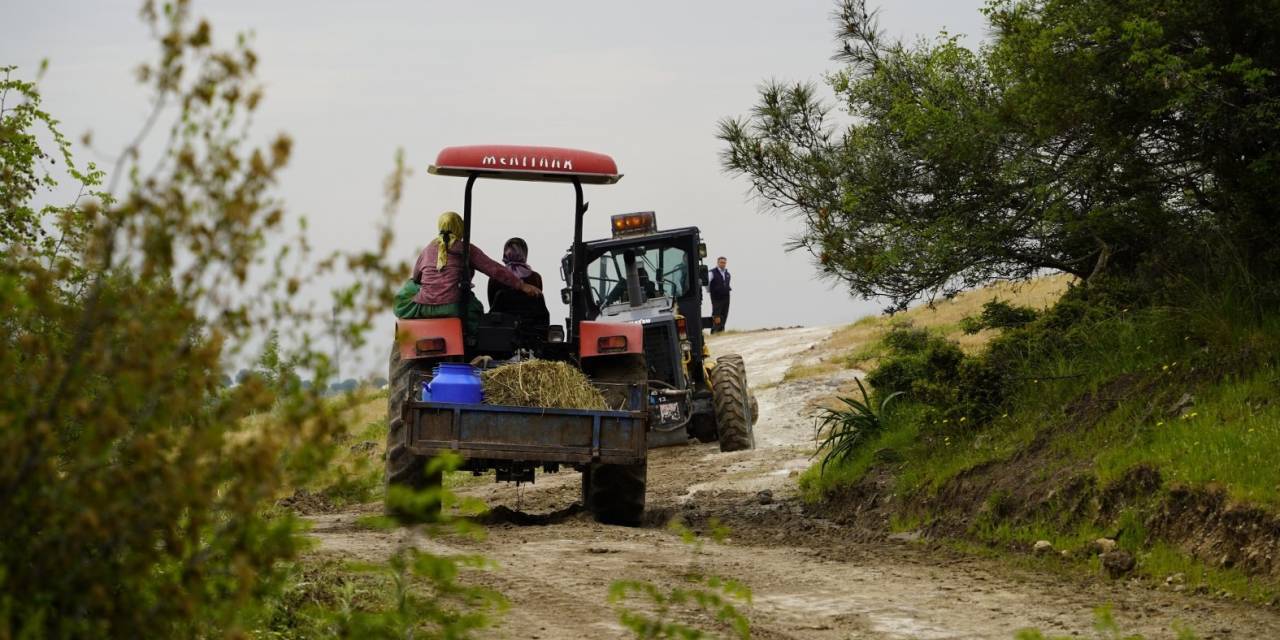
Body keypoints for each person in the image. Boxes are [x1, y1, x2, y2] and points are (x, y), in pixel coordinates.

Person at [395, 211, 539, 332]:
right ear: (460, 228)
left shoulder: (428, 249)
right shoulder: (466, 249)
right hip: (454, 308)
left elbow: (416, 277)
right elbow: (494, 270)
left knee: (411, 285)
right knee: (478, 311)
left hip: (424, 307)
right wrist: (521, 285)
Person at [488, 237, 550, 345]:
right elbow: (537, 301)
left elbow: (492, 304)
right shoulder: (536, 278)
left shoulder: (495, 278)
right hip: (532, 333)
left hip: (501, 332)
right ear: (525, 254)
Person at [708, 255, 731, 333]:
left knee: (724, 314)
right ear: (718, 263)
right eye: (721, 262)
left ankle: (721, 332)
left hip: (726, 297)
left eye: (724, 263)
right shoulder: (712, 272)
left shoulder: (727, 274)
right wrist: (710, 291)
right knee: (717, 316)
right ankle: (714, 332)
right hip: (716, 297)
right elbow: (707, 283)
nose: (723, 264)